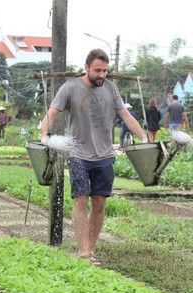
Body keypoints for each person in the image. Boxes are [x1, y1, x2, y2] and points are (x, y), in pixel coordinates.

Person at [40, 48, 147, 266]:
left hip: (105, 155)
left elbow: (125, 115)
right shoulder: (70, 87)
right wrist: (44, 135)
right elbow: (51, 113)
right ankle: (83, 252)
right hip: (78, 153)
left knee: (99, 202)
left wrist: (143, 137)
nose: (102, 75)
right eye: (98, 70)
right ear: (86, 67)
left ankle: (90, 250)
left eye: (105, 71)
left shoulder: (111, 89)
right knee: (80, 199)